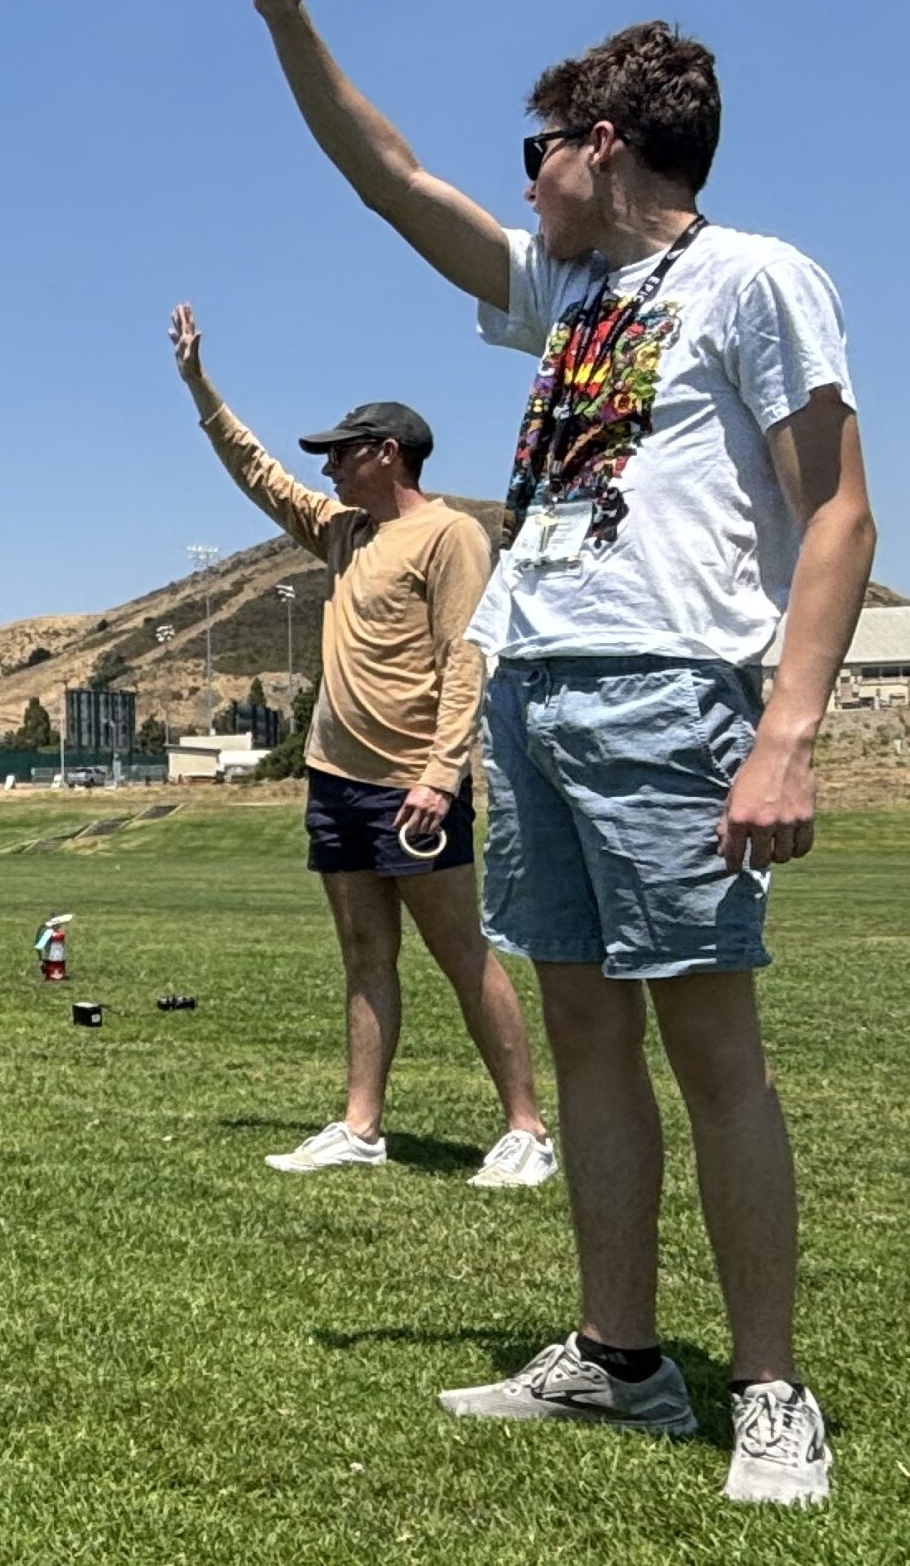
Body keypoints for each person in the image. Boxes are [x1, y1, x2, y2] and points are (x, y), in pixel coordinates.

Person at [244, 0, 876, 1504]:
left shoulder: (753, 279)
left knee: (711, 1047)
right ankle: (618, 1362)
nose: (519, 178)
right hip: (536, 696)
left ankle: (771, 1394)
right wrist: (291, 18)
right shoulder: (566, 297)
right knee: (587, 1035)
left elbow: (841, 515)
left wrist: (789, 733)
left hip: (675, 698)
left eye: (539, 149)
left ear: (607, 148)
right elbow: (391, 181)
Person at [168, 305, 551, 1187]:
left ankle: (527, 1129)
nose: (328, 467)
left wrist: (441, 773)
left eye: (340, 452)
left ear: (387, 453)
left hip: (415, 785)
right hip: (336, 780)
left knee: (461, 954)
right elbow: (258, 474)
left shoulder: (452, 535)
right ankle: (361, 1126)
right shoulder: (342, 531)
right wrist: (199, 384)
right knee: (364, 957)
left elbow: (467, 659)